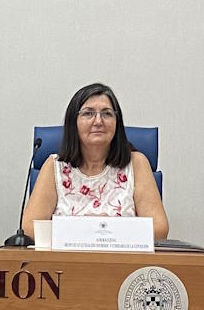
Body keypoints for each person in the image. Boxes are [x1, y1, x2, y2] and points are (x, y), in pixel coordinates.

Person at [22, 82, 169, 239]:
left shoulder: (136, 163)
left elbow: (159, 230)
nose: (98, 121)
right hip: (67, 255)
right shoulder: (54, 166)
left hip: (122, 255)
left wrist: (104, 228)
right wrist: (92, 228)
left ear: (117, 123)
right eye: (88, 113)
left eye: (107, 114)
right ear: (73, 122)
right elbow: (30, 229)